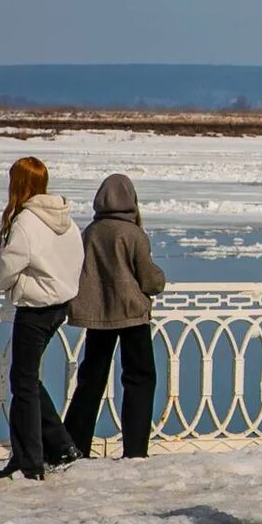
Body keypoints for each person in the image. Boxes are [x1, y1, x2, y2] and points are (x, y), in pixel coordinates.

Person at [0, 156, 84, 482]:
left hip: (34, 308)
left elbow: (9, 266)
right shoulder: (65, 220)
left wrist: (0, 279)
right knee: (26, 378)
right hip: (58, 305)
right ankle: (57, 446)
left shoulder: (27, 222)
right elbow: (77, 258)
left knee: (24, 383)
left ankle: (31, 461)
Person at [63, 174, 167, 459]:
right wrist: (159, 280)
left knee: (91, 378)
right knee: (139, 379)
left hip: (98, 315)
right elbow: (148, 279)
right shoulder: (132, 234)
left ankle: (75, 444)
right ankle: (135, 449)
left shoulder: (91, 232)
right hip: (131, 315)